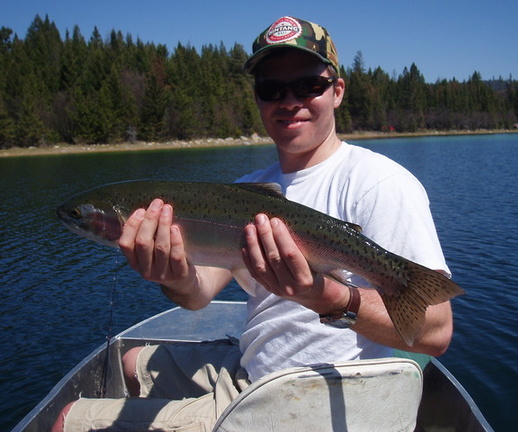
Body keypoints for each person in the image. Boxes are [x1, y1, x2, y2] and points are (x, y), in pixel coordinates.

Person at [52, 16, 454, 432]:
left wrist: (327, 296)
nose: (289, 100)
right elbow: (197, 294)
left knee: (66, 421)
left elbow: (435, 333)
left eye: (308, 85)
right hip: (256, 365)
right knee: (131, 364)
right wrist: (171, 275)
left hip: (315, 395)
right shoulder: (246, 191)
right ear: (258, 99)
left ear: (337, 92)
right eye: (271, 89)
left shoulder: (380, 184)